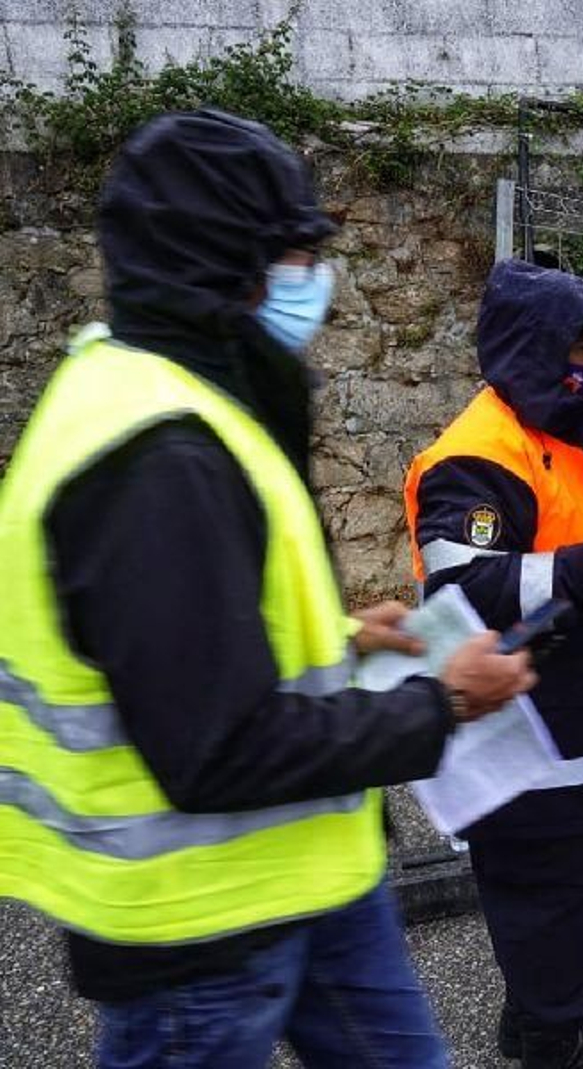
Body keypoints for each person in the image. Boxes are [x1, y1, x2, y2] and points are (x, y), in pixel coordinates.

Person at [0, 109, 535, 1069]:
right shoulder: (155, 454)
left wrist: (336, 634)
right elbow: (215, 747)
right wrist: (442, 703)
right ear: (217, 263)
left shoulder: (174, 385)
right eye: (291, 254)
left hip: (312, 875)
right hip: (194, 930)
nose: (314, 278)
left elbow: (191, 627)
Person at [405, 258, 583, 1069]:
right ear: (535, 353)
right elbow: (459, 584)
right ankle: (550, 1035)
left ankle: (542, 1013)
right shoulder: (478, 452)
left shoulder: (574, 428)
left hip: (580, 704)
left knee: (566, 883)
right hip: (524, 718)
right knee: (536, 892)